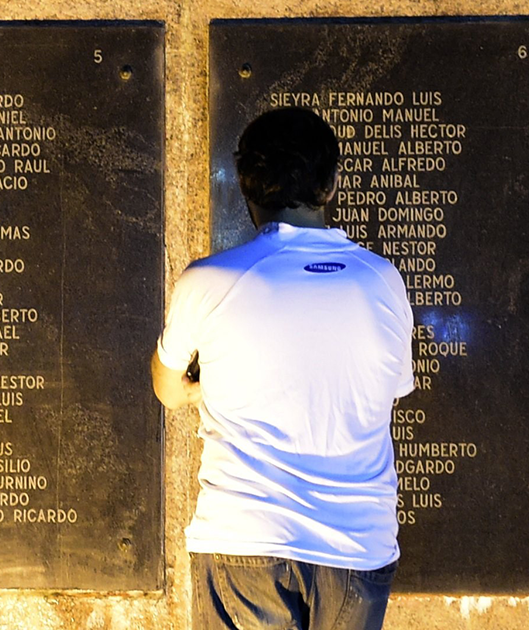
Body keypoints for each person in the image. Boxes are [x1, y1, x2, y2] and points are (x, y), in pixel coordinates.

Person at [152, 106, 416, 630]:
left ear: (247, 191)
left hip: (244, 537)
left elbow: (167, 387)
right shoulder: (382, 282)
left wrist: (200, 390)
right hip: (355, 547)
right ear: (332, 183)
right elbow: (394, 389)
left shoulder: (205, 283)